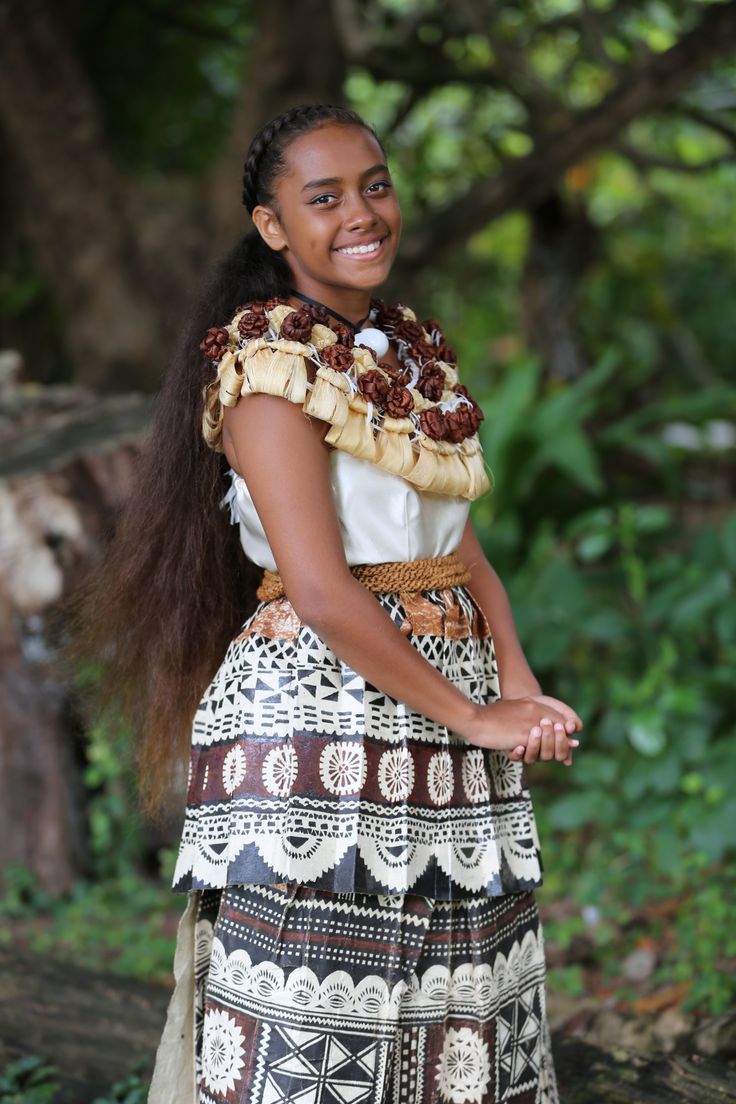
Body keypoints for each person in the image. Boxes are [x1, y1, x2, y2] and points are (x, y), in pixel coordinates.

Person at [68, 103, 582, 1104]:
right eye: (324, 197)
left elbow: (461, 554)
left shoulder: (405, 355)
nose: (362, 212)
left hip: (444, 695)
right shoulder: (268, 369)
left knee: (457, 1004)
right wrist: (474, 712)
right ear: (272, 228)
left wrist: (515, 685)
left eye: (375, 185)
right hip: (325, 710)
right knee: (318, 1024)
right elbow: (318, 588)